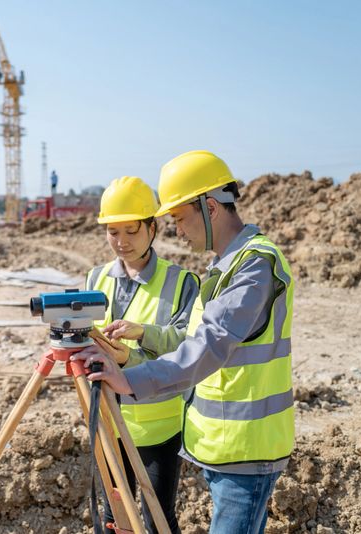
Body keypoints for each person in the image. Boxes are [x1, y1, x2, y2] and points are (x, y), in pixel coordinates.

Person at [75, 151, 295, 534]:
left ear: (209, 208)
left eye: (178, 218)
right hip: (221, 448)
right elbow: (193, 342)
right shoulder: (225, 266)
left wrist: (132, 377)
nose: (176, 229)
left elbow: (208, 345)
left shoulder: (254, 265)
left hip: (246, 450)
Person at [87, 176, 199, 534]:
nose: (121, 243)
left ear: (153, 228)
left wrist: (142, 335)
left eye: (131, 231)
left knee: (158, 519)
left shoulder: (182, 283)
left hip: (159, 426)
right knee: (113, 517)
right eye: (113, 232)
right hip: (106, 419)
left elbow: (189, 346)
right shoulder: (96, 278)